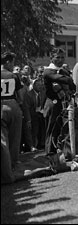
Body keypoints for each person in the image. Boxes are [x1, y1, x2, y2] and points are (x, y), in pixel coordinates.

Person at [1, 52, 23, 183]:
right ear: (8, 62)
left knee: (3, 141)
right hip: (12, 104)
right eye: (13, 62)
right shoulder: (13, 76)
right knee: (15, 139)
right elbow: (20, 96)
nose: (13, 64)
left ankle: (5, 172)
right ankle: (14, 168)